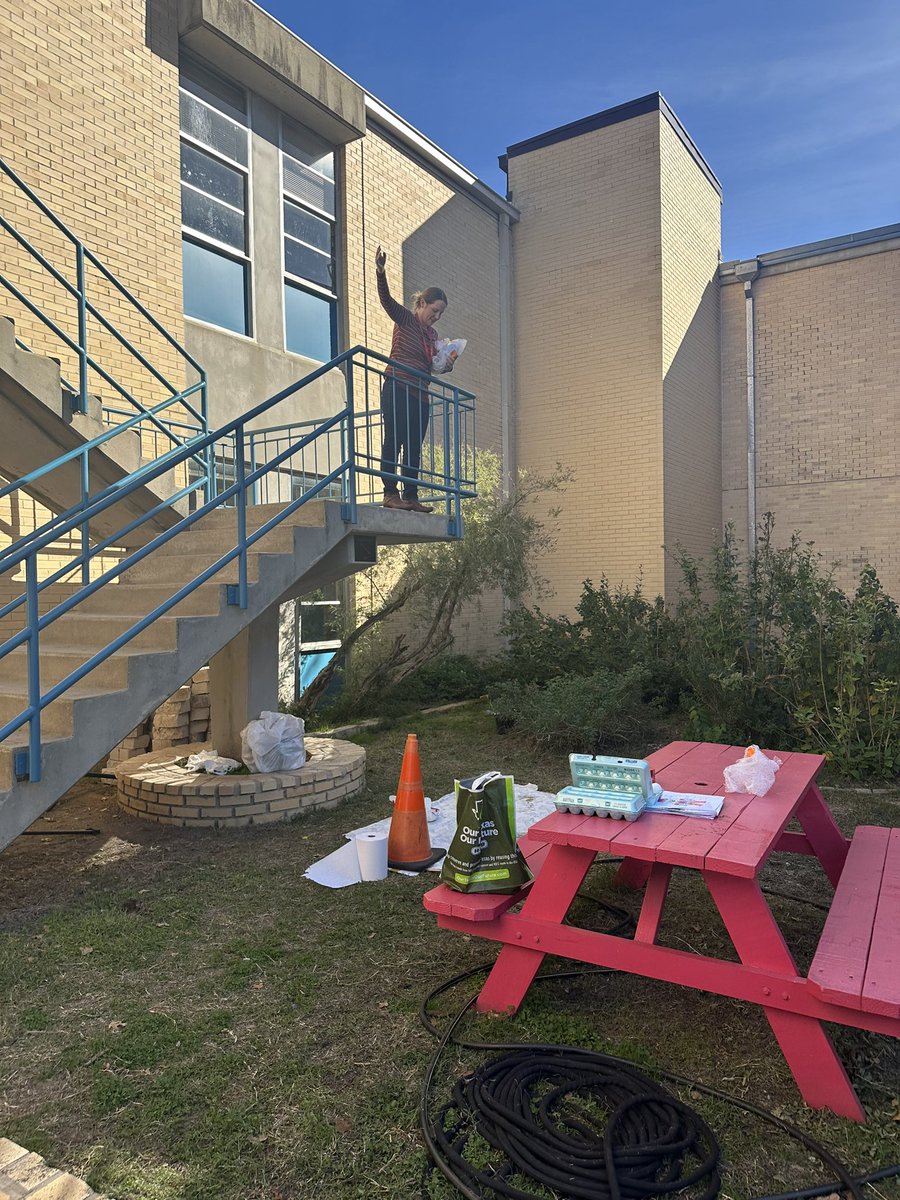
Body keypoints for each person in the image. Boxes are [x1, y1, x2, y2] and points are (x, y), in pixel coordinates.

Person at [374, 245, 453, 513]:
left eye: (441, 313)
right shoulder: (406, 320)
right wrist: (381, 271)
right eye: (435, 310)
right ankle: (389, 492)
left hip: (420, 391)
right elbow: (387, 301)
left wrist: (446, 364)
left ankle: (410, 495)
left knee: (414, 446)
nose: (437, 316)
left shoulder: (433, 335)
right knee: (394, 439)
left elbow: (433, 363)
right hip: (397, 385)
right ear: (422, 304)